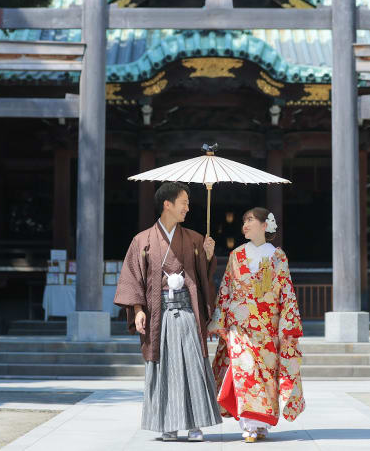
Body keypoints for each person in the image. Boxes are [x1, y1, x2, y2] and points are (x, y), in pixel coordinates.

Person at [114, 181, 222, 442]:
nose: (188, 207)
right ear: (167, 204)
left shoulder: (195, 239)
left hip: (187, 310)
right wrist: (138, 309)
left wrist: (207, 257)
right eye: (183, 202)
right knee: (164, 369)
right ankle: (168, 425)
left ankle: (196, 424)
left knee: (193, 366)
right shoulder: (142, 240)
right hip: (158, 313)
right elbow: (133, 276)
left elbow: (203, 276)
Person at [208, 207, 305, 443]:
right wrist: (217, 320)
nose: (245, 225)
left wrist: (287, 327)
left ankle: (262, 423)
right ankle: (249, 424)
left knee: (267, 377)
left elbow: (287, 293)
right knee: (246, 372)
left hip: (267, 327)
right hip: (239, 326)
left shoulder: (278, 256)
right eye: (244, 221)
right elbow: (226, 289)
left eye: (250, 220)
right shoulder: (236, 255)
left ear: (265, 225)